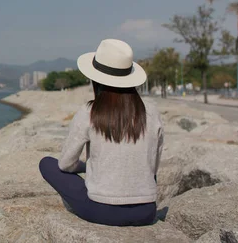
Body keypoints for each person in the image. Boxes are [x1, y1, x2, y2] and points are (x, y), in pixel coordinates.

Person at [39, 39, 164, 226]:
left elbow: (65, 164)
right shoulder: (151, 111)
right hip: (145, 211)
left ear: (95, 79)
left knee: (47, 164)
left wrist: (84, 167)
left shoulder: (90, 111)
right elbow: (153, 167)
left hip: (102, 211)